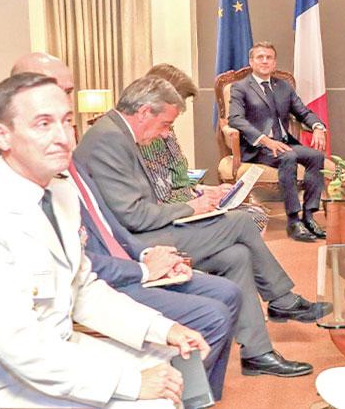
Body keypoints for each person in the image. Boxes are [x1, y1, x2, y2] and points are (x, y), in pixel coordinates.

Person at [11, 52, 241, 399]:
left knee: (225, 283)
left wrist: (163, 329)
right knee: (164, 383)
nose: (64, 137)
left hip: (64, 340)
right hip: (21, 376)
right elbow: (20, 346)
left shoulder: (57, 190)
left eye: (67, 118)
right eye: (44, 122)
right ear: (3, 133)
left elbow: (83, 284)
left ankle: (198, 396)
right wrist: (131, 383)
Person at [75, 75, 330, 378]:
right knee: (241, 222)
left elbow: (147, 198)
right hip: (135, 244)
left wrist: (198, 197)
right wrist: (191, 208)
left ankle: (257, 352)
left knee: (237, 255)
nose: (165, 133)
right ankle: (282, 299)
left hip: (144, 230)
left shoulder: (118, 133)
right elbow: (132, 216)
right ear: (144, 112)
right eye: (165, 124)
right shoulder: (110, 139)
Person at [141, 63, 269, 232]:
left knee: (256, 215)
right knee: (251, 219)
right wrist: (202, 200)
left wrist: (207, 190)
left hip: (191, 202)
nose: (181, 111)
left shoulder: (167, 130)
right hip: (179, 215)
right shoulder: (148, 138)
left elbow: (177, 181)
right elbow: (163, 198)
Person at [228, 41, 327, 242]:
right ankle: (293, 221)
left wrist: (318, 127)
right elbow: (235, 119)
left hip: (283, 143)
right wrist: (264, 140)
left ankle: (308, 216)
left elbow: (303, 112)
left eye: (269, 57)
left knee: (316, 156)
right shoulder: (240, 88)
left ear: (274, 63)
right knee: (288, 156)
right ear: (251, 62)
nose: (265, 61)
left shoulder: (283, 87)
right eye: (260, 57)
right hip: (258, 148)